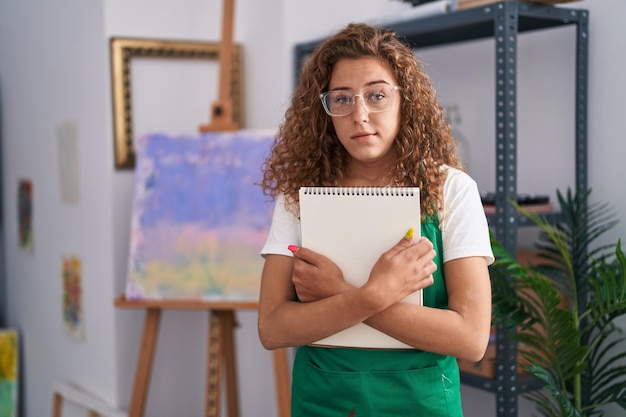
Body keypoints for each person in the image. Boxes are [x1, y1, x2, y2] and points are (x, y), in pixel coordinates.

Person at [258, 22, 494, 416]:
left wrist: (338, 291)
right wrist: (373, 293)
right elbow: (273, 328)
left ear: (406, 101)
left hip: (421, 400)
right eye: (342, 99)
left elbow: (470, 339)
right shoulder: (297, 196)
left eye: (377, 95)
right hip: (324, 401)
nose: (360, 115)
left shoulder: (452, 189)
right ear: (325, 109)